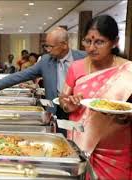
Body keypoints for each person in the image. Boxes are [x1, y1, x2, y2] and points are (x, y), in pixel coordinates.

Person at [0, 27, 86, 136]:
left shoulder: (84, 58)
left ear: (64, 44)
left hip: (81, 111)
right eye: (46, 46)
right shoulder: (46, 61)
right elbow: (19, 76)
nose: (47, 50)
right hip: (57, 111)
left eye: (51, 47)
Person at [59, 15, 132, 179]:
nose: (91, 48)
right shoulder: (76, 68)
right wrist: (68, 105)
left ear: (114, 42)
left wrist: (124, 116)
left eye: (99, 42)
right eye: (87, 41)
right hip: (80, 144)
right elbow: (63, 99)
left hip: (116, 149)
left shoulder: (128, 71)